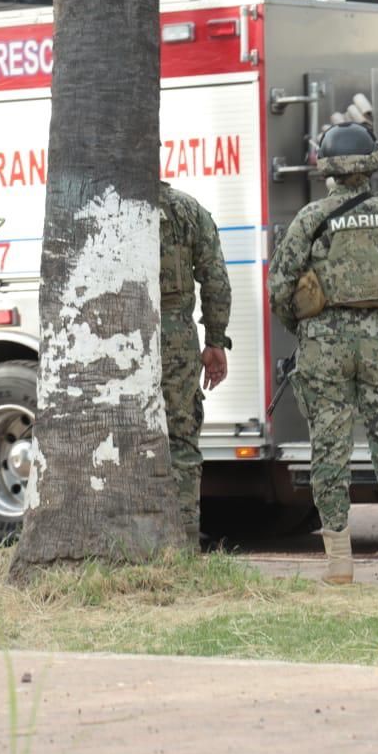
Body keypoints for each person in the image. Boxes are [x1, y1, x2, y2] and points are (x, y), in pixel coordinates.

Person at [268, 122, 378, 584]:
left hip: (325, 343)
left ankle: (339, 563)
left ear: (326, 167)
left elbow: (279, 285)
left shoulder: (310, 218)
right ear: (373, 162)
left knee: (330, 450)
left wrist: (301, 325)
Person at [158, 180, 231, 539]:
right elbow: (215, 279)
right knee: (181, 439)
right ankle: (184, 541)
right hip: (175, 338)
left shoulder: (109, 205)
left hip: (116, 335)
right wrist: (215, 340)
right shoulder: (184, 209)